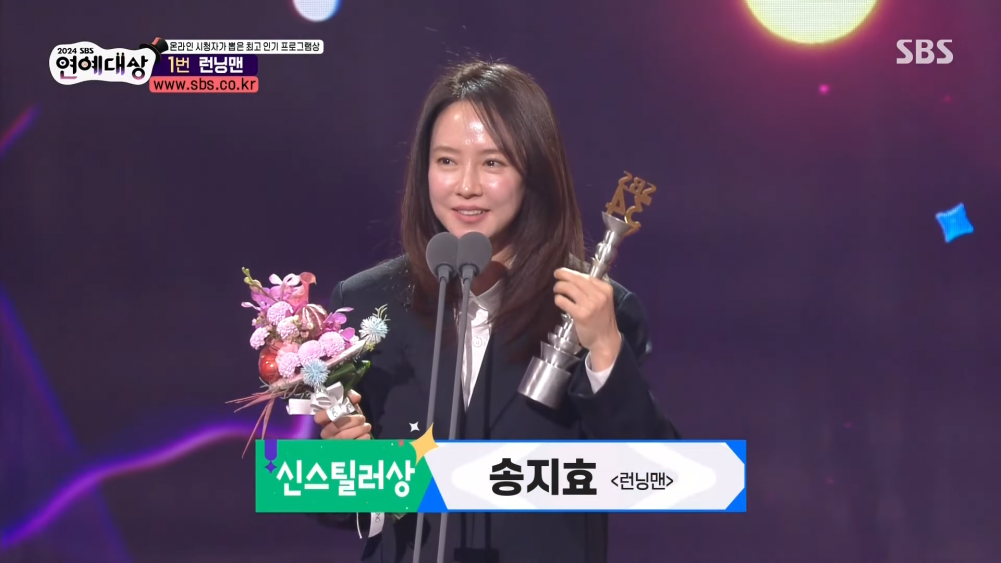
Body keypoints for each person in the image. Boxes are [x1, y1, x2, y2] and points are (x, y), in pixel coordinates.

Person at [312, 60, 679, 563]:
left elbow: (656, 478)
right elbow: (338, 508)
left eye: (492, 163)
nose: (466, 186)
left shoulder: (593, 307)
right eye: (446, 161)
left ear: (534, 174)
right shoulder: (367, 304)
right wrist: (343, 468)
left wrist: (605, 351)